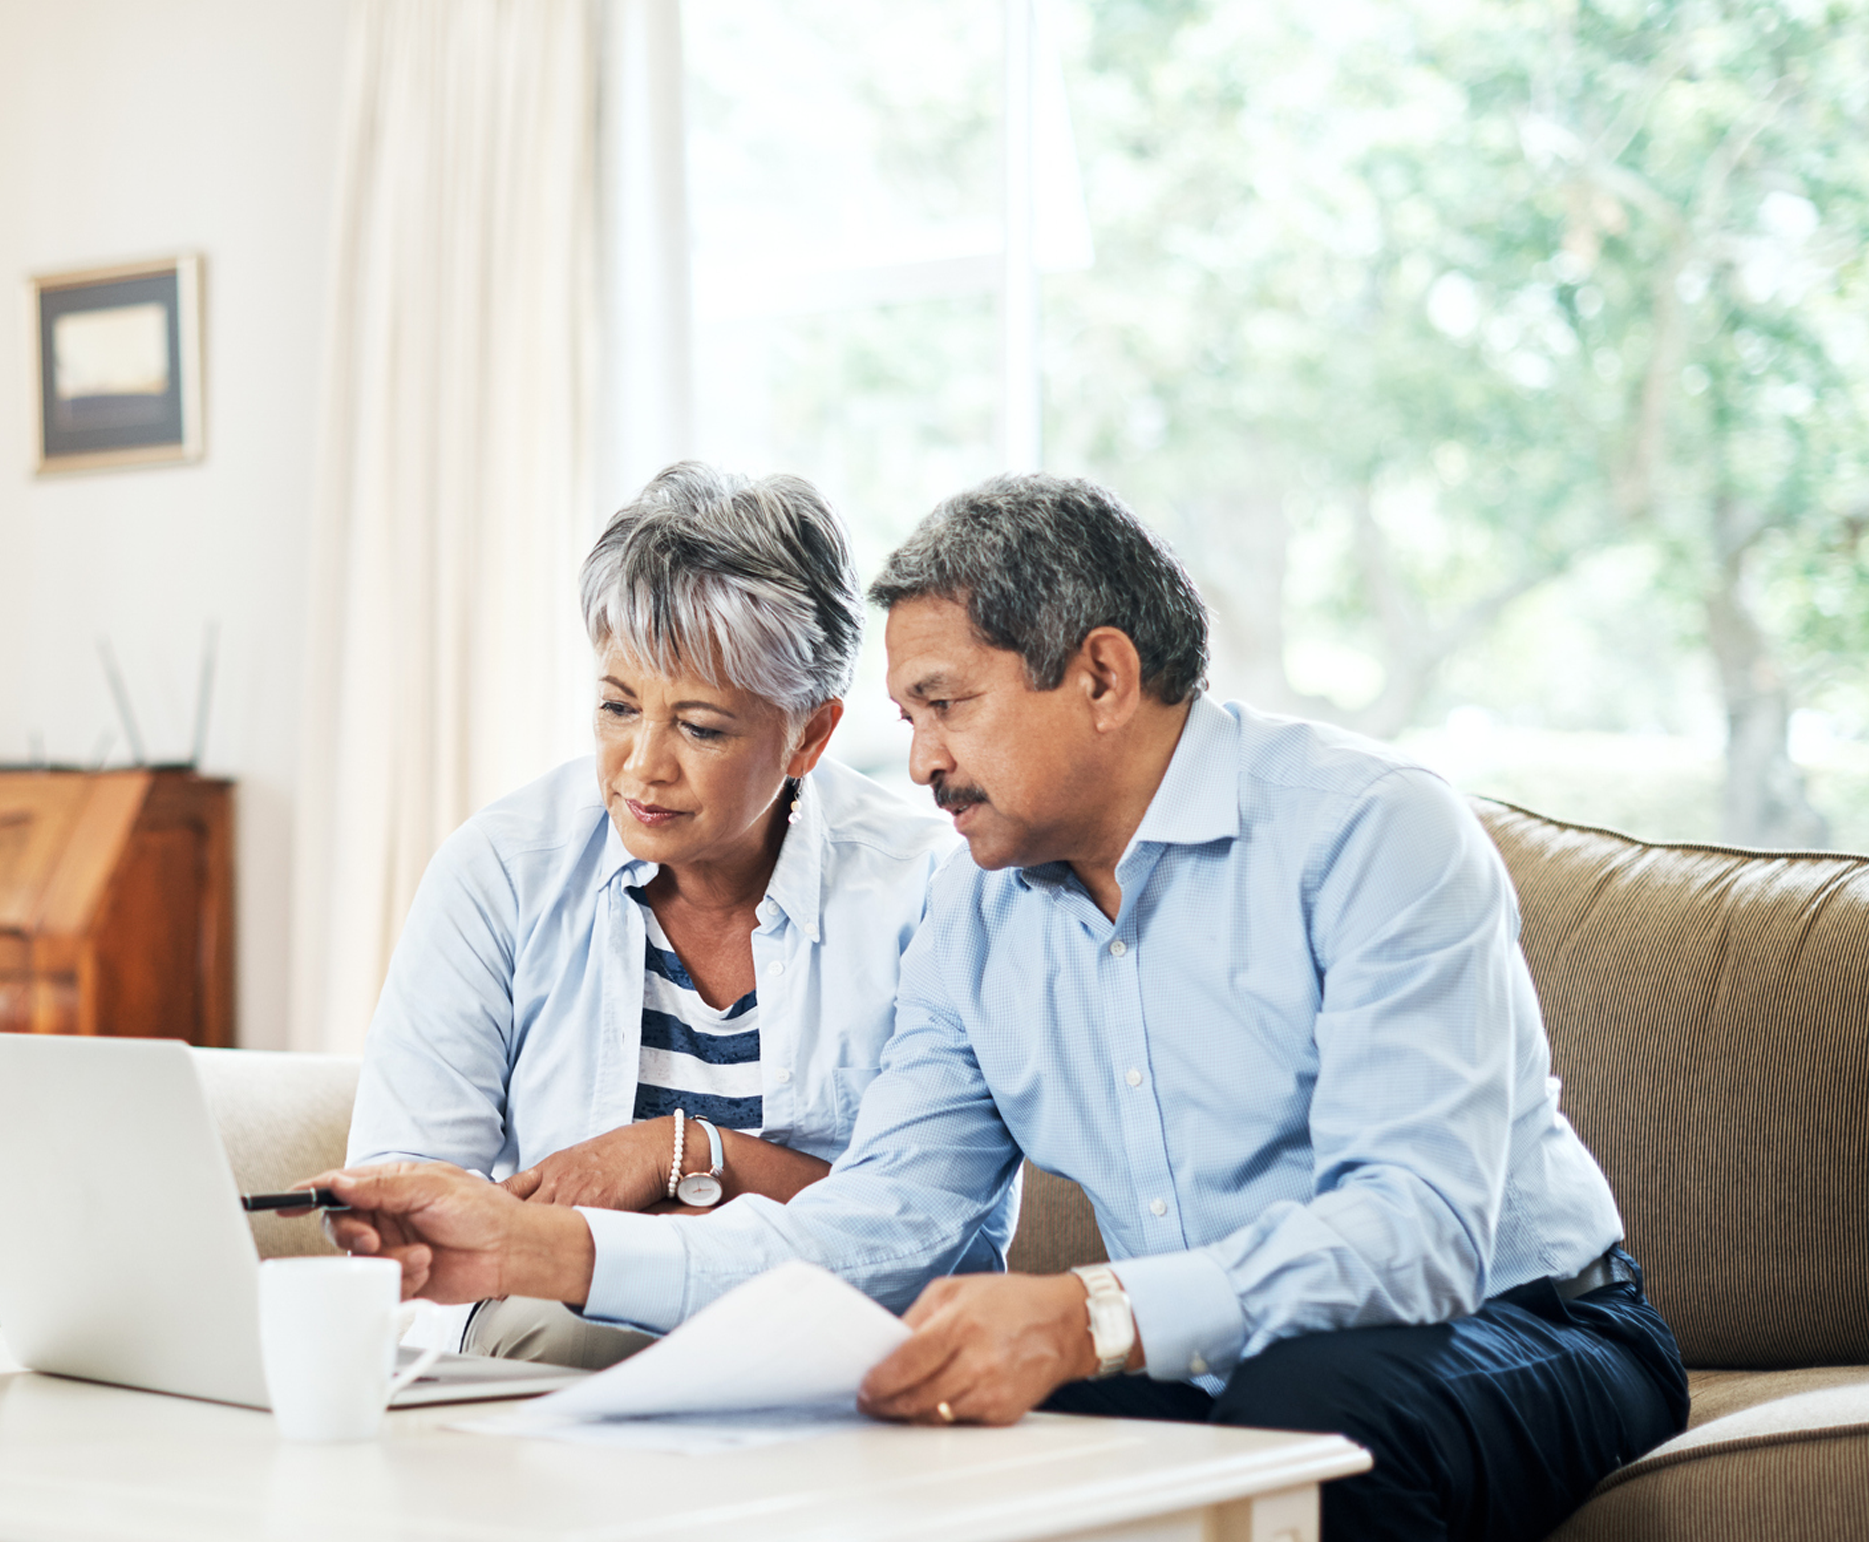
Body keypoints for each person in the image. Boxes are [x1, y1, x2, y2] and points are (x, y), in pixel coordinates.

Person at [316, 475, 1688, 1542]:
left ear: (1098, 675)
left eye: (943, 706)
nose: (913, 761)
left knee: (1300, 1418)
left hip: (1529, 1317)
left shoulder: (1372, 830)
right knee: (942, 1449)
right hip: (1228, 1348)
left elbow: (1417, 1232)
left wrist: (1084, 1314)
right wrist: (542, 1247)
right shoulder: (966, 910)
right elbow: (874, 1233)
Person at [345, 462, 954, 1369]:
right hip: (552, 1342)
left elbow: (933, 1232)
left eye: (699, 727)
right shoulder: (502, 870)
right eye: (617, 707)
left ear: (810, 736)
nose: (641, 767)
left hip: (821, 1342)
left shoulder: (922, 892)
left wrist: (683, 1153)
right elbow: (406, 1197)